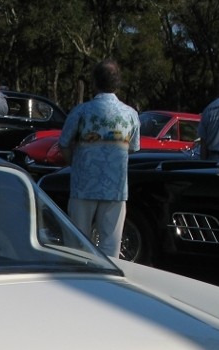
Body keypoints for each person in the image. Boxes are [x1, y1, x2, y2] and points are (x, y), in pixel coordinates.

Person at [56, 58, 140, 260]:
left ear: (94, 82)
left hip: (84, 185)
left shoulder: (81, 111)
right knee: (111, 244)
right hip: (115, 188)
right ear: (118, 82)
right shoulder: (130, 114)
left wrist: (73, 163)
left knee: (77, 242)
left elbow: (63, 144)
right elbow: (133, 148)